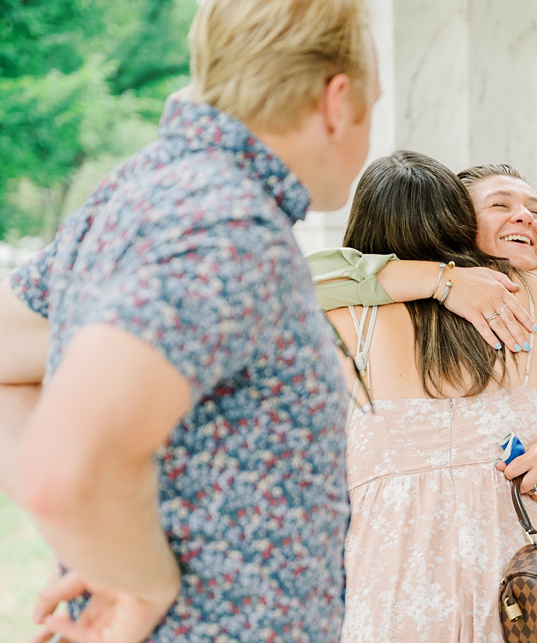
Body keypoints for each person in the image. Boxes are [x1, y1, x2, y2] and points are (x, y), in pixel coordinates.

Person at [0, 1, 376, 639]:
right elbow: (60, 468)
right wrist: (142, 582)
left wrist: (100, 549)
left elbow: (9, 352)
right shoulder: (228, 227)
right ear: (336, 102)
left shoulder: (138, 190)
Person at [331, 151, 537, 642]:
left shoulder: (344, 317)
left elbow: (281, 282)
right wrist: (445, 280)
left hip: (390, 581)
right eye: (500, 205)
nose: (525, 217)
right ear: (455, 223)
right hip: (520, 590)